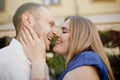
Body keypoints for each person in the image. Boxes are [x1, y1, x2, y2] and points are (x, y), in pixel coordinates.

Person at [21, 16, 115, 80]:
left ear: (80, 37)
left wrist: (38, 60)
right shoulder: (78, 63)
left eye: (64, 31)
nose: (57, 34)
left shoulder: (87, 59)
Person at [0, 2, 57, 80]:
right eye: (51, 24)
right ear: (27, 20)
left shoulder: (43, 65)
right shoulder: (1, 60)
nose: (55, 32)